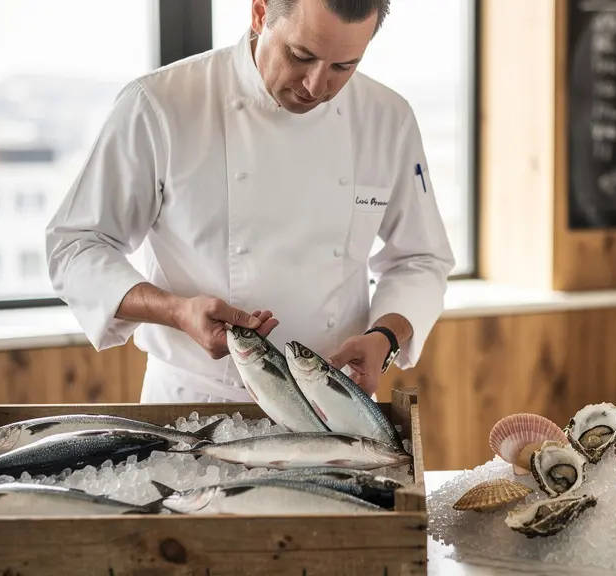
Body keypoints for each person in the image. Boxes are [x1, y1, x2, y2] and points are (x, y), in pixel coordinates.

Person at [45, 0, 454, 404]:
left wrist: (384, 337)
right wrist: (176, 311)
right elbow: (75, 246)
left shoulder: (387, 118)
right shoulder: (161, 104)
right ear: (260, 12)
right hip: (197, 403)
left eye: (343, 67)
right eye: (301, 55)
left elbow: (420, 259)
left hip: (332, 403)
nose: (317, 86)